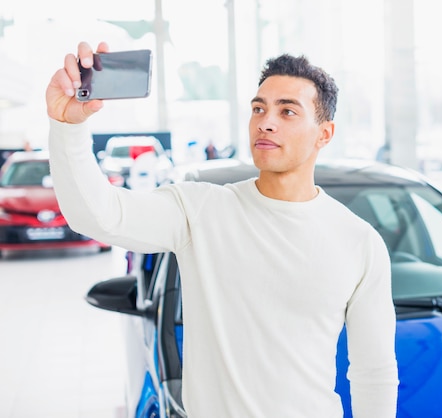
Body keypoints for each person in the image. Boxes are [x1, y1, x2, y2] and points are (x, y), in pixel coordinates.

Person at [46, 41, 398, 417]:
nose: (266, 121)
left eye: (288, 111)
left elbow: (373, 372)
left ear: (324, 134)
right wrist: (68, 126)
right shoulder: (201, 210)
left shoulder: (358, 242)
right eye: (259, 108)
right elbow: (98, 215)